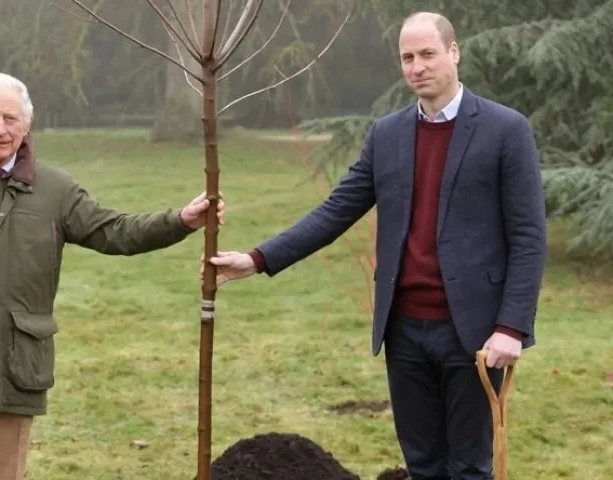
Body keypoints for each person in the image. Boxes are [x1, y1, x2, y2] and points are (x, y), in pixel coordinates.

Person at [201, 11, 546, 480]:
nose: (417, 66)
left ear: (454, 53)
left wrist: (511, 326)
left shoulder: (506, 130)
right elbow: (336, 210)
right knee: (422, 466)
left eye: (427, 54)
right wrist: (259, 259)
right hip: (403, 330)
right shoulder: (388, 135)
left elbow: (528, 237)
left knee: (468, 468)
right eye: (407, 57)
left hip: (476, 336)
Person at [0, 71, 225, 480]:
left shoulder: (55, 189)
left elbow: (114, 231)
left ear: (27, 124)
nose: (1, 129)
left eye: (11, 119)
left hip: (17, 370)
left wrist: (180, 221)